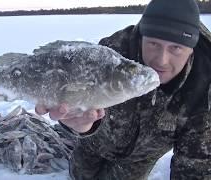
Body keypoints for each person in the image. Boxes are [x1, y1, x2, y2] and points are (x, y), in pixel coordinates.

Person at [35, 0, 211, 179]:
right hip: (93, 143)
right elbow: (74, 102)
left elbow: (195, 166)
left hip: (138, 160)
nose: (161, 60)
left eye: (176, 48)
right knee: (79, 175)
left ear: (191, 50)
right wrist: (80, 125)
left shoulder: (204, 92)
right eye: (153, 44)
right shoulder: (108, 56)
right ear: (142, 37)